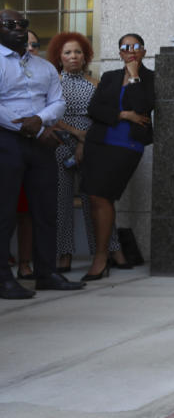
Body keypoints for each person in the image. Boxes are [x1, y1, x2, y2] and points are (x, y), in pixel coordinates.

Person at [0, 9, 86, 299]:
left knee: (46, 209)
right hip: (7, 141)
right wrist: (35, 128)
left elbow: (58, 102)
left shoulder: (44, 67)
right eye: (10, 25)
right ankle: (2, 279)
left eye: (22, 24)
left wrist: (40, 120)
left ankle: (46, 272)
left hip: (41, 144)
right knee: (5, 212)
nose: (18, 29)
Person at [46, 32, 130, 273]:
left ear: (85, 57)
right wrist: (76, 134)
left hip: (93, 145)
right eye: (68, 53)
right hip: (60, 143)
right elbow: (51, 115)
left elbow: (102, 117)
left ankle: (110, 249)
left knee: (96, 199)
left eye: (78, 52)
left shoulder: (97, 84)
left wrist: (86, 140)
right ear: (59, 58)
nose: (73, 56)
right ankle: (64, 253)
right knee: (61, 201)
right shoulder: (53, 84)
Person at [80, 33, 154, 281]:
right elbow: (95, 109)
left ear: (143, 51)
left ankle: (102, 257)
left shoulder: (151, 78)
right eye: (125, 47)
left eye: (135, 46)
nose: (130, 50)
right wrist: (124, 115)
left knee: (102, 195)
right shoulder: (110, 77)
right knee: (95, 197)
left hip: (127, 146)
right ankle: (111, 251)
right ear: (119, 52)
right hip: (99, 143)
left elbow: (143, 106)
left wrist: (134, 77)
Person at [13, 30, 42, 279]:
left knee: (26, 212)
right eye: (26, 44)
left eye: (34, 44)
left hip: (35, 146)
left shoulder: (44, 72)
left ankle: (25, 264)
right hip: (8, 142)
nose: (30, 48)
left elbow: (55, 105)